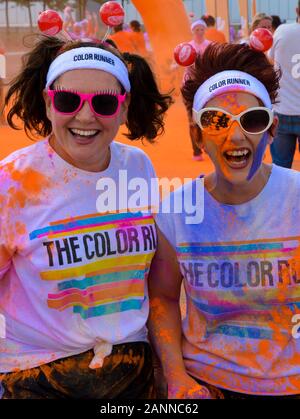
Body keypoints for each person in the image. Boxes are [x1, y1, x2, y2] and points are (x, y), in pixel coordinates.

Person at [0, 36, 172, 399]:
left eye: (104, 103)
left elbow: (153, 281)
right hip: (37, 375)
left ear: (124, 109)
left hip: (130, 370)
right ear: (49, 103)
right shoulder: (12, 182)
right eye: (68, 100)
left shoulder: (138, 167)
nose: (85, 115)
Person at [148, 42, 300, 399]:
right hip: (209, 386)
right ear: (197, 135)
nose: (235, 135)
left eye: (253, 120)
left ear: (272, 129)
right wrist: (177, 378)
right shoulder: (177, 212)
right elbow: (163, 298)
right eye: (216, 121)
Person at [268, 3, 300, 168]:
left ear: (297, 11)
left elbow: (269, 59)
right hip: (286, 110)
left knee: (280, 167)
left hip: (282, 111)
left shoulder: (282, 31)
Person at [186, 19, 211, 162]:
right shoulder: (188, 47)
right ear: (192, 31)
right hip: (190, 87)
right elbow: (179, 61)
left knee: (207, 118)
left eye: (202, 29)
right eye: (197, 29)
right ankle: (196, 151)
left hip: (206, 87)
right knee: (193, 120)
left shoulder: (210, 46)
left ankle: (208, 146)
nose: (200, 32)